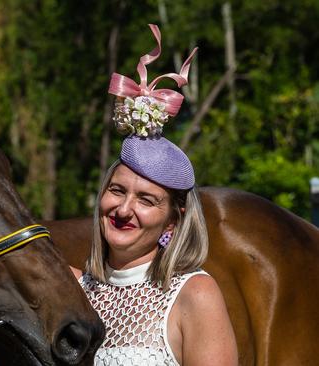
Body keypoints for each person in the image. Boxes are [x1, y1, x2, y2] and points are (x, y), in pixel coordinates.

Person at [70, 25, 238, 365]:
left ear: (171, 223)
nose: (123, 208)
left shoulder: (195, 295)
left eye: (146, 200)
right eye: (117, 191)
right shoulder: (71, 288)